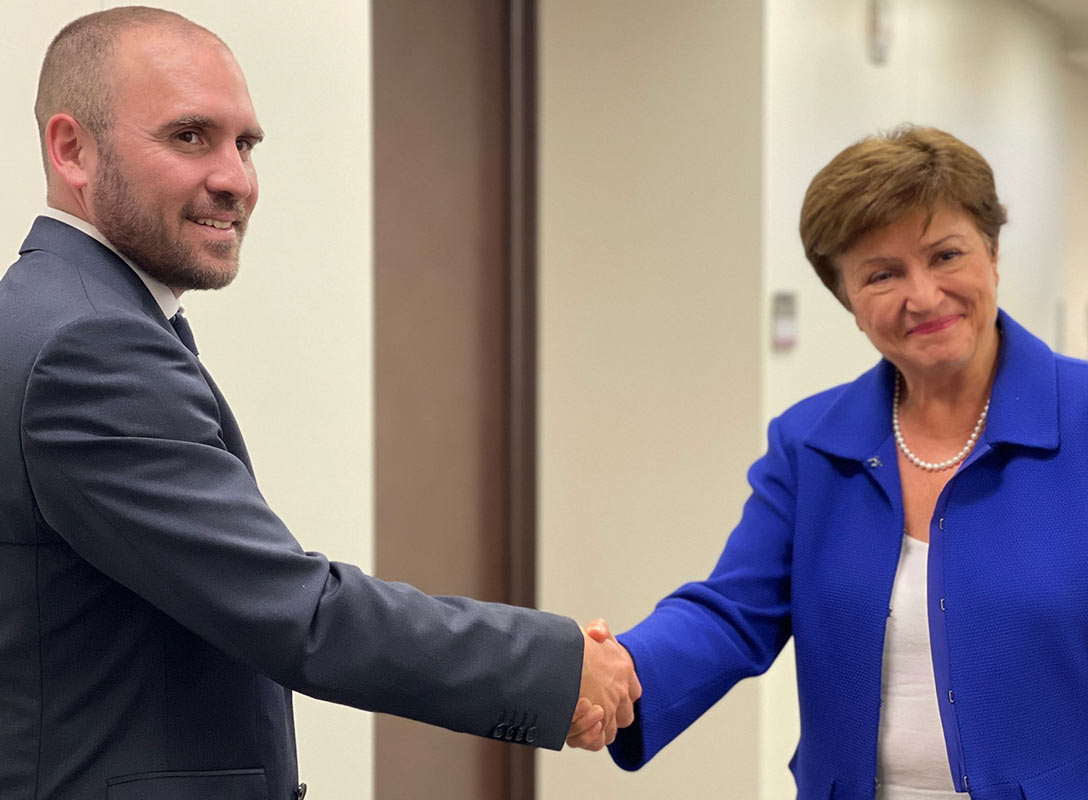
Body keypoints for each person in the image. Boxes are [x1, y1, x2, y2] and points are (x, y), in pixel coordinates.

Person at [0, 7, 636, 799]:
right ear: (72, 149)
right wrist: (558, 667)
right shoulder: (88, 346)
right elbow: (299, 616)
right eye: (190, 136)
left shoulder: (56, 313)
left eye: (246, 144)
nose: (236, 179)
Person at [574, 126, 1088, 798]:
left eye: (946, 255)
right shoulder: (811, 443)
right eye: (882, 274)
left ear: (993, 254)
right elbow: (732, 612)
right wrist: (618, 671)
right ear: (848, 300)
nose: (923, 296)